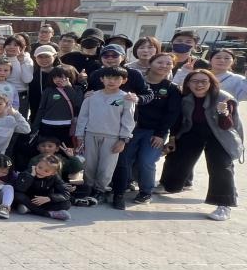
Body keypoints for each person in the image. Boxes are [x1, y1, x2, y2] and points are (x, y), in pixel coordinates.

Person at [159, 69, 242, 221]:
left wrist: (223, 113)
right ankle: (170, 184)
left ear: (211, 83)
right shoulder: (186, 98)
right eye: (194, 81)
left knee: (220, 166)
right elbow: (178, 121)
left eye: (204, 81)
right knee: (177, 154)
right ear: (188, 83)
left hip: (219, 135)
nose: (199, 85)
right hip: (193, 130)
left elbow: (227, 126)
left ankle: (224, 204)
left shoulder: (224, 98)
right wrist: (173, 139)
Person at [118, 53, 181, 206]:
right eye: (160, 62)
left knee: (147, 161)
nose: (164, 66)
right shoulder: (137, 82)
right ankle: (124, 184)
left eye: (168, 63)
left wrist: (160, 134)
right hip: (131, 129)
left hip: (154, 132)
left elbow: (172, 114)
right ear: (150, 63)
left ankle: (146, 192)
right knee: (125, 158)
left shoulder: (172, 88)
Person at [74, 66, 135, 208]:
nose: (112, 81)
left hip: (112, 137)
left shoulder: (125, 98)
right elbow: (83, 116)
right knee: (89, 165)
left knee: (106, 167)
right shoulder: (92, 96)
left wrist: (123, 139)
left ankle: (100, 190)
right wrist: (80, 135)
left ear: (124, 80)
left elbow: (128, 120)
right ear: (102, 79)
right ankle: (88, 188)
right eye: (108, 78)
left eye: (116, 78)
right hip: (91, 134)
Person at [13, 154, 73, 221]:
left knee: (67, 204)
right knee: (17, 195)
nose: (41, 171)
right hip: (29, 199)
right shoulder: (28, 173)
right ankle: (49, 214)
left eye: (46, 171)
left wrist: (49, 198)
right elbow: (19, 189)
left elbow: (66, 194)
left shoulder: (55, 177)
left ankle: (30, 209)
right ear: (37, 164)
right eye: (40, 167)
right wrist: (31, 176)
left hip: (44, 201)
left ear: (53, 173)